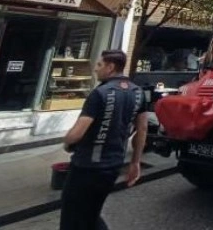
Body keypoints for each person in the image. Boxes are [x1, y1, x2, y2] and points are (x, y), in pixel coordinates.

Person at [60, 50, 148, 230]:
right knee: (91, 214)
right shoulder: (138, 92)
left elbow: (77, 133)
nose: (95, 69)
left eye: (99, 65)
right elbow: (143, 129)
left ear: (110, 67)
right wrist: (135, 162)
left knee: (72, 216)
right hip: (113, 165)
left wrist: (67, 140)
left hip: (86, 167)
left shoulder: (100, 93)